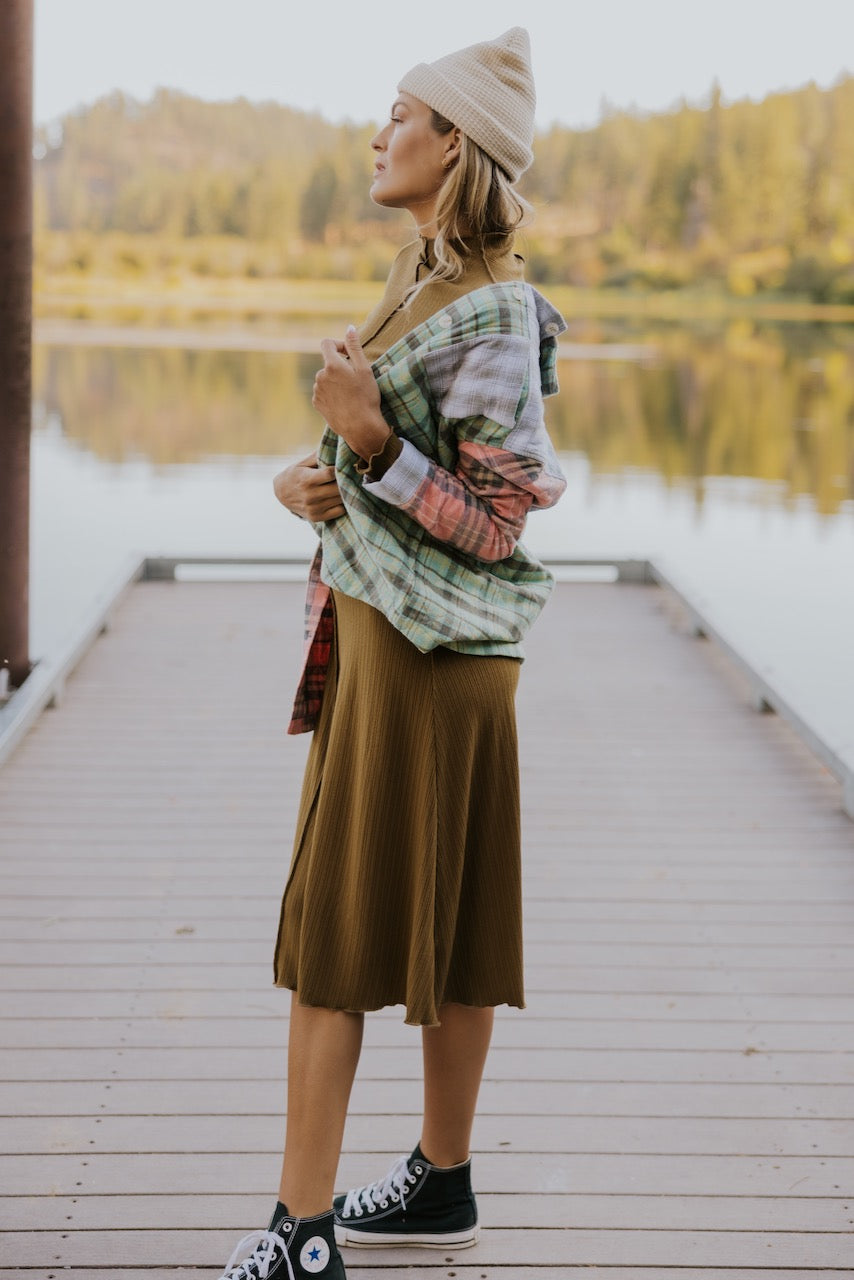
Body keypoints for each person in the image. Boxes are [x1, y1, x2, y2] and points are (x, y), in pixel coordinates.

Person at [217, 27, 567, 1280]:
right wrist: (310, 475)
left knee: (335, 935)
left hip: (430, 663)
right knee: (442, 926)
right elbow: (376, 460)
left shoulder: (492, 307)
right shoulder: (423, 277)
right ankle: (440, 1181)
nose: (377, 133)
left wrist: (366, 445)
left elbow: (496, 519)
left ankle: (299, 1228)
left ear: (452, 143)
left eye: (398, 114)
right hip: (400, 651)